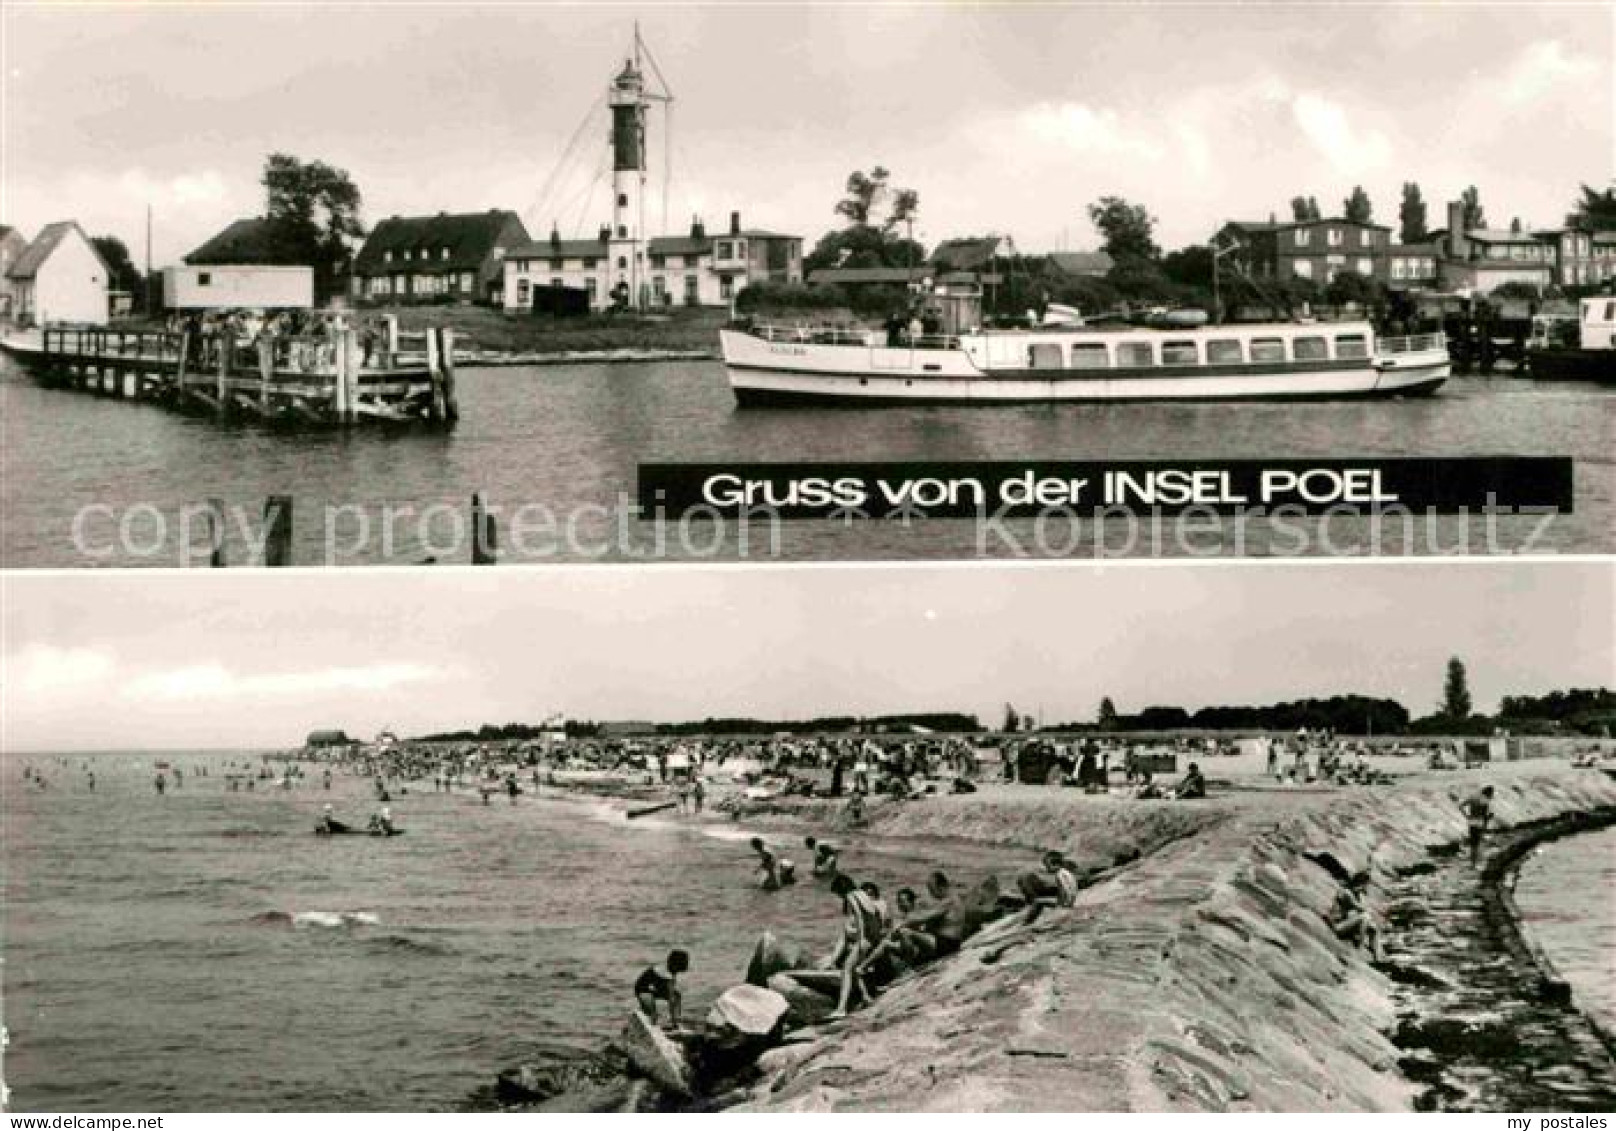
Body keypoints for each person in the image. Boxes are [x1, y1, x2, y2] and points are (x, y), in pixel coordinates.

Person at [826, 874, 884, 1019]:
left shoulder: (851, 896)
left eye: (838, 893)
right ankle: (865, 997)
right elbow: (874, 915)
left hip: (866, 938)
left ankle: (841, 1009)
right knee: (853, 967)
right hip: (874, 936)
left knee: (846, 968)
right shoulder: (862, 894)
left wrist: (860, 940)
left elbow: (859, 917)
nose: (839, 897)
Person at [1329, 874, 1385, 962]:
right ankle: (1360, 947)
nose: (1365, 888)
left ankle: (1378, 958)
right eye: (1364, 885)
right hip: (1338, 925)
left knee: (1374, 928)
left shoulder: (1357, 894)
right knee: (1365, 917)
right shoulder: (1345, 892)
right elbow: (1360, 907)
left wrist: (1372, 922)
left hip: (1347, 923)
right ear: (1360, 883)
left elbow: (1362, 908)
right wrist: (1368, 913)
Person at [634, 949, 690, 1030]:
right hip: (643, 990)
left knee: (676, 996)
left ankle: (675, 1021)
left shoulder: (671, 970)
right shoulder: (665, 973)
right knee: (651, 1009)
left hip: (656, 989)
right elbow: (671, 999)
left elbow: (671, 995)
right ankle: (652, 1022)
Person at [1462, 785, 1494, 865]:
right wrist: (1487, 822)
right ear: (1488, 793)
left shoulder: (1473, 797)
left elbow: (1460, 806)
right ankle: (1474, 863)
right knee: (1477, 843)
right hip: (1479, 823)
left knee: (1472, 843)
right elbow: (1485, 815)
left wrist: (1466, 816)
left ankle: (1472, 862)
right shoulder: (1485, 801)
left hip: (1471, 821)